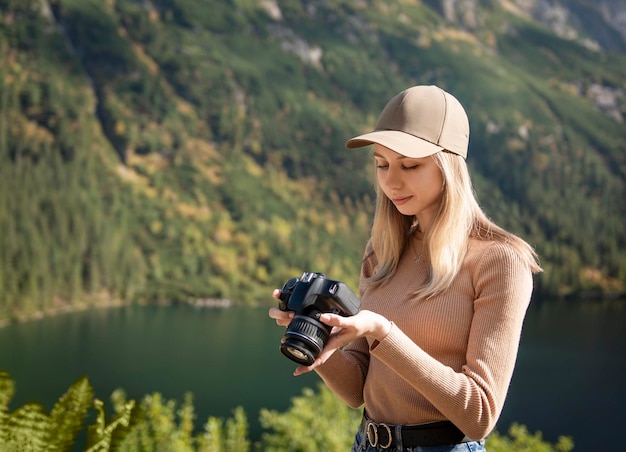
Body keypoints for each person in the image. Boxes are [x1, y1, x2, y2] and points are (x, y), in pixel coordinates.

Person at [269, 85, 542, 451]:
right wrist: (319, 341)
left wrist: (384, 333)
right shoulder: (381, 253)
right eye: (381, 164)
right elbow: (356, 392)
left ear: (449, 163)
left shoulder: (500, 261)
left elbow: (480, 415)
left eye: (410, 165)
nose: (391, 181)